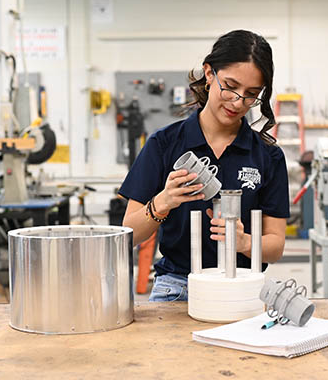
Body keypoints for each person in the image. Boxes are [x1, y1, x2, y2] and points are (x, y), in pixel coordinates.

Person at [119, 29, 290, 302]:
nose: (238, 101)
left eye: (251, 94)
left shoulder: (268, 156)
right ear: (209, 74)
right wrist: (163, 202)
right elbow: (128, 235)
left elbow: (275, 245)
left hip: (243, 286)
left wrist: (246, 243)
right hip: (178, 287)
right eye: (230, 86)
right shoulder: (164, 144)